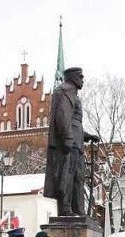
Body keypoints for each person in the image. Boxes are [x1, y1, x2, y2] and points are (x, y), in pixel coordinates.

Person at [43, 66, 99, 216]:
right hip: (68, 143)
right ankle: (66, 209)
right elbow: (63, 118)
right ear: (72, 77)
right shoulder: (64, 91)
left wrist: (86, 136)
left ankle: (78, 209)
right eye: (80, 77)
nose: (83, 80)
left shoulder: (73, 94)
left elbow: (74, 121)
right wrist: (68, 138)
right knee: (66, 176)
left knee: (78, 177)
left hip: (76, 141)